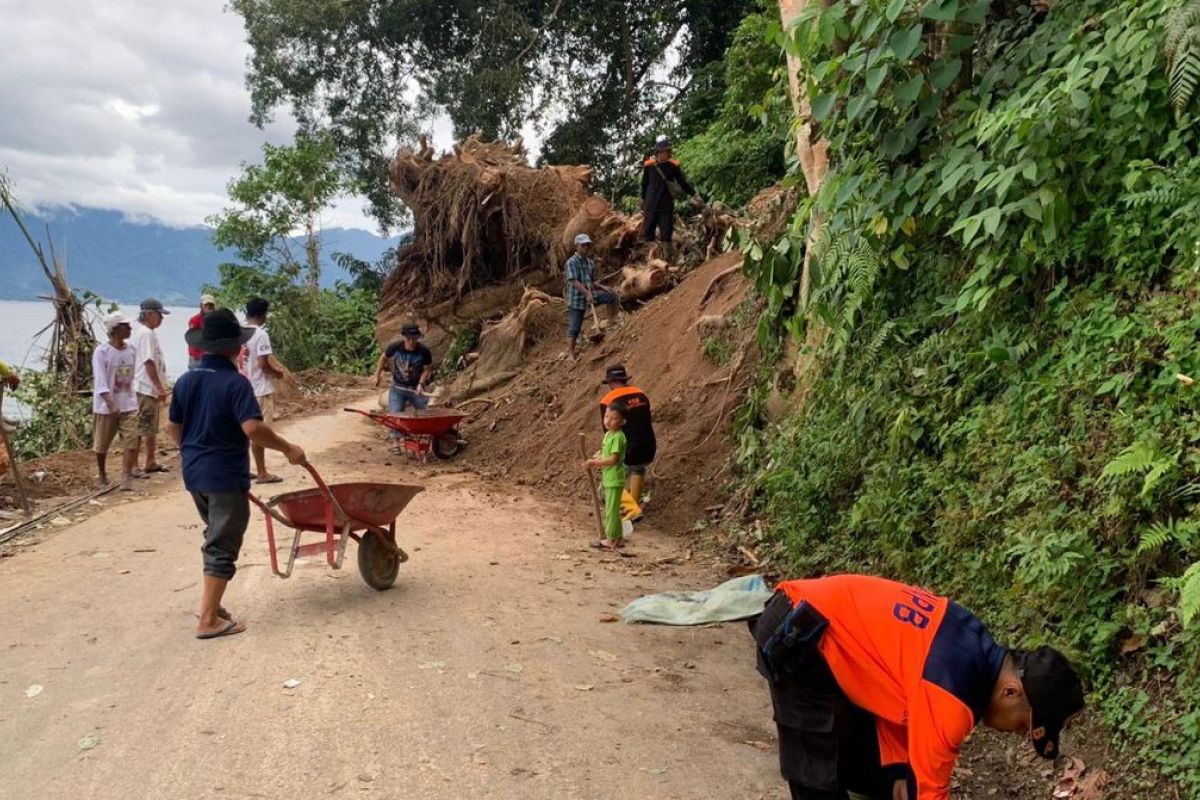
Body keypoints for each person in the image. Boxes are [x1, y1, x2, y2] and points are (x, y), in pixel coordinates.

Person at [750, 574, 1085, 800]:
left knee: (880, 779)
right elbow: (930, 793)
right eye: (1021, 725)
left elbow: (897, 691)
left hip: (837, 645)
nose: (1015, 733)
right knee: (819, 777)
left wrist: (898, 767)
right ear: (1011, 692)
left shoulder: (971, 644)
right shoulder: (953, 695)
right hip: (800, 632)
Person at [170, 309, 306, 639]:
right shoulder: (235, 383)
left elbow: (173, 428)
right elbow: (253, 428)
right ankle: (207, 620)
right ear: (236, 348)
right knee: (223, 542)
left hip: (195, 474)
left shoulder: (186, 381)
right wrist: (288, 448)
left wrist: (194, 451)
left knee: (215, 533)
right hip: (224, 475)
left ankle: (212, 607)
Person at [599, 364, 656, 522]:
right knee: (638, 469)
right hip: (649, 447)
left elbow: (610, 430)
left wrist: (605, 453)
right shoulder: (641, 394)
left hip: (627, 449)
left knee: (607, 483)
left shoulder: (608, 400)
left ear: (610, 382)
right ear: (624, 379)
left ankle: (632, 509)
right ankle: (633, 506)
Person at [92, 311, 140, 488]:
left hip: (128, 402)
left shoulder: (132, 350)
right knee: (102, 443)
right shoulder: (102, 352)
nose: (129, 329)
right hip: (106, 406)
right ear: (116, 329)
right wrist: (110, 403)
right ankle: (102, 473)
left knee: (131, 439)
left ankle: (126, 476)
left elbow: (133, 376)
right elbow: (100, 380)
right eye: (126, 326)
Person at [243, 297, 285, 484]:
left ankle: (243, 470)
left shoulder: (240, 332)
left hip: (243, 388)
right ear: (263, 314)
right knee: (260, 431)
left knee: (243, 432)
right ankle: (261, 472)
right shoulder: (260, 335)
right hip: (260, 388)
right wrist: (277, 373)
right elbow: (262, 363)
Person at [640, 135, 701, 263]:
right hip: (650, 204)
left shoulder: (673, 165)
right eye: (662, 151)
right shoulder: (649, 165)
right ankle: (650, 260)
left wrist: (694, 195)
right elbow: (644, 184)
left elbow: (683, 183)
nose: (665, 154)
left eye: (667, 151)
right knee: (648, 231)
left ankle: (667, 259)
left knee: (666, 232)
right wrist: (642, 199)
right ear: (658, 152)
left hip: (666, 205)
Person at [564, 233, 617, 360]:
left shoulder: (590, 263)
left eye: (588, 245)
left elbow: (592, 281)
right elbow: (573, 281)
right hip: (577, 299)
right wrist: (586, 293)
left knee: (611, 296)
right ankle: (570, 353)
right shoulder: (571, 262)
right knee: (575, 327)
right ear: (577, 246)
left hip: (591, 295)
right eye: (583, 245)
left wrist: (603, 287)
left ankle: (612, 322)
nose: (586, 248)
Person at [134, 298, 171, 474]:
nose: (161, 319)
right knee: (144, 425)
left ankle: (150, 460)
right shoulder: (146, 334)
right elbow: (149, 362)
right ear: (149, 314)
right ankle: (135, 464)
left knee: (150, 427)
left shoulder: (148, 333)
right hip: (146, 387)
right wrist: (159, 387)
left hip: (149, 388)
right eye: (159, 315)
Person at [584, 401, 627, 549]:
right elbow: (606, 455)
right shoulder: (609, 434)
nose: (608, 421)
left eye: (613, 418)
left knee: (611, 511)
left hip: (615, 479)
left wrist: (595, 463)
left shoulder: (618, 437)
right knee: (612, 509)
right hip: (609, 478)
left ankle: (610, 539)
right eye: (606, 416)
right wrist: (597, 459)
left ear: (623, 421)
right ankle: (618, 538)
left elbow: (614, 459)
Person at [373, 323, 433, 428]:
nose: (412, 341)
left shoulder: (424, 351)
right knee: (395, 415)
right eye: (409, 338)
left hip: (416, 389)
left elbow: (427, 369)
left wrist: (421, 383)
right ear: (404, 337)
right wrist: (377, 375)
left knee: (426, 414)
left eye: (415, 338)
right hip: (398, 388)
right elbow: (383, 358)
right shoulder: (395, 347)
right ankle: (396, 440)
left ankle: (426, 435)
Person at [187, 294, 217, 369]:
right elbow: (194, 338)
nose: (209, 307)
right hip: (196, 357)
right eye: (206, 304)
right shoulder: (195, 320)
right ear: (201, 306)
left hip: (213, 356)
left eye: (211, 305)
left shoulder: (217, 320)